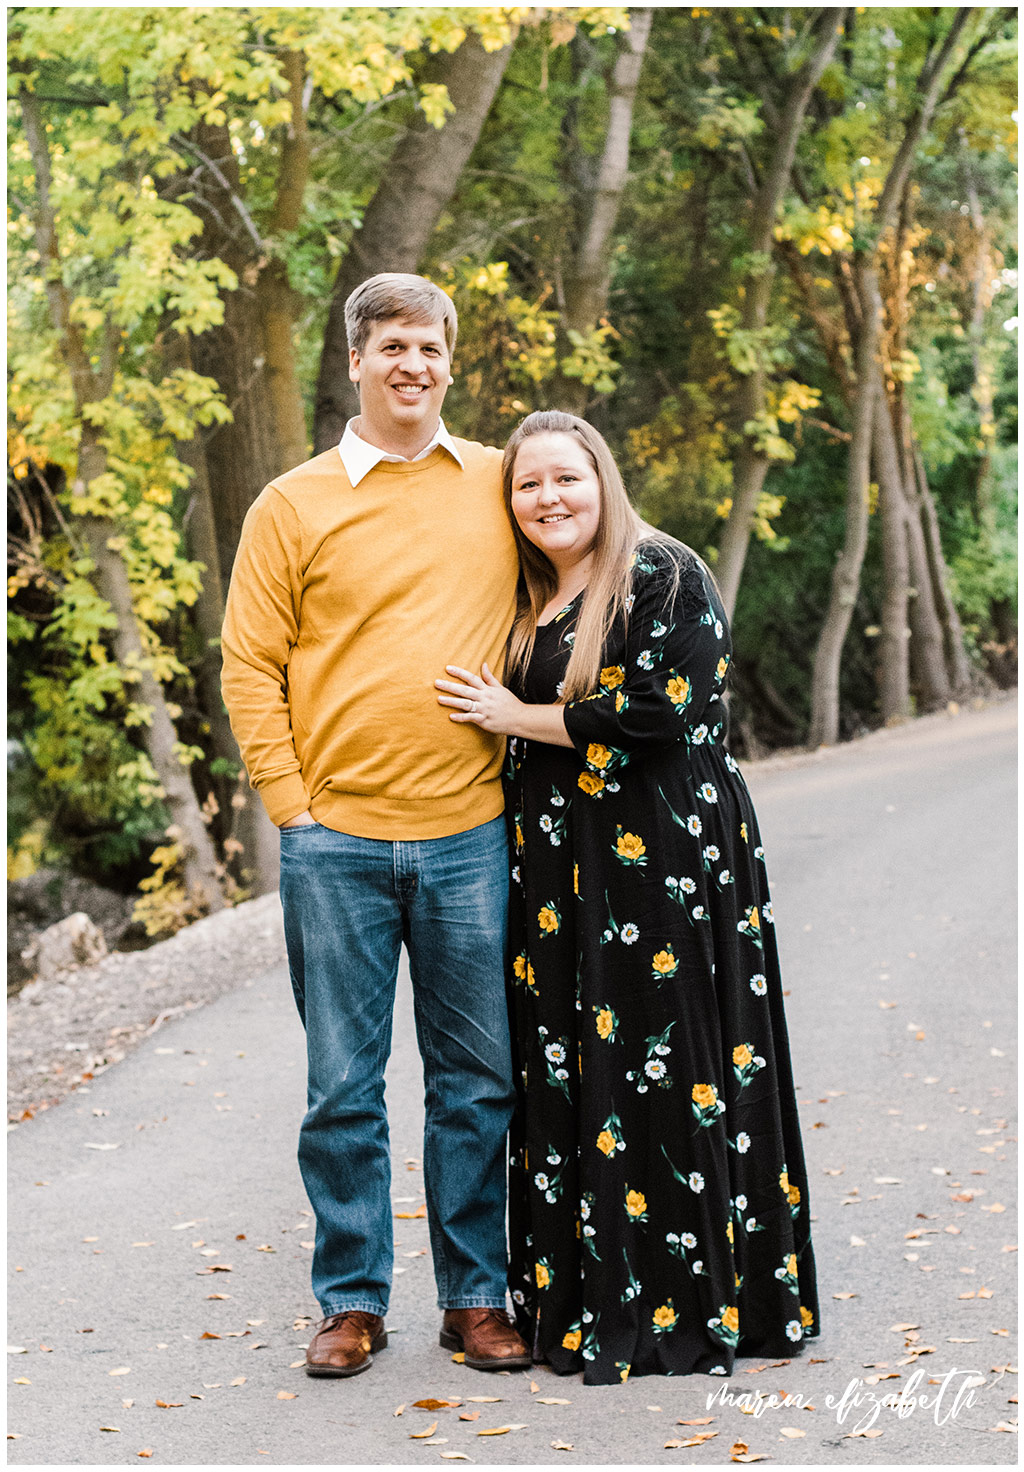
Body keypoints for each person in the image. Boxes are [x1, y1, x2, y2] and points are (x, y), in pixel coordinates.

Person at [435, 410, 818, 1385]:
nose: (549, 497)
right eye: (529, 485)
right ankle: (586, 1298)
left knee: (666, 1055)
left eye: (566, 477)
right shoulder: (528, 594)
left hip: (659, 857)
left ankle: (685, 1302)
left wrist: (515, 714)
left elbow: (663, 708)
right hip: (561, 873)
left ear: (602, 479)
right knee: (572, 1066)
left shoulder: (663, 570)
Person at [221, 273, 531, 1378]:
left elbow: (584, 553)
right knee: (341, 1086)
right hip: (335, 843)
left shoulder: (497, 482)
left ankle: (476, 1296)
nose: (414, 364)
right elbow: (249, 664)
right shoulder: (290, 504)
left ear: (453, 360)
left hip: (471, 833)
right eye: (393, 344)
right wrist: (292, 808)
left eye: (432, 346)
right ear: (355, 358)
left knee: (476, 1081)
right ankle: (351, 1298)